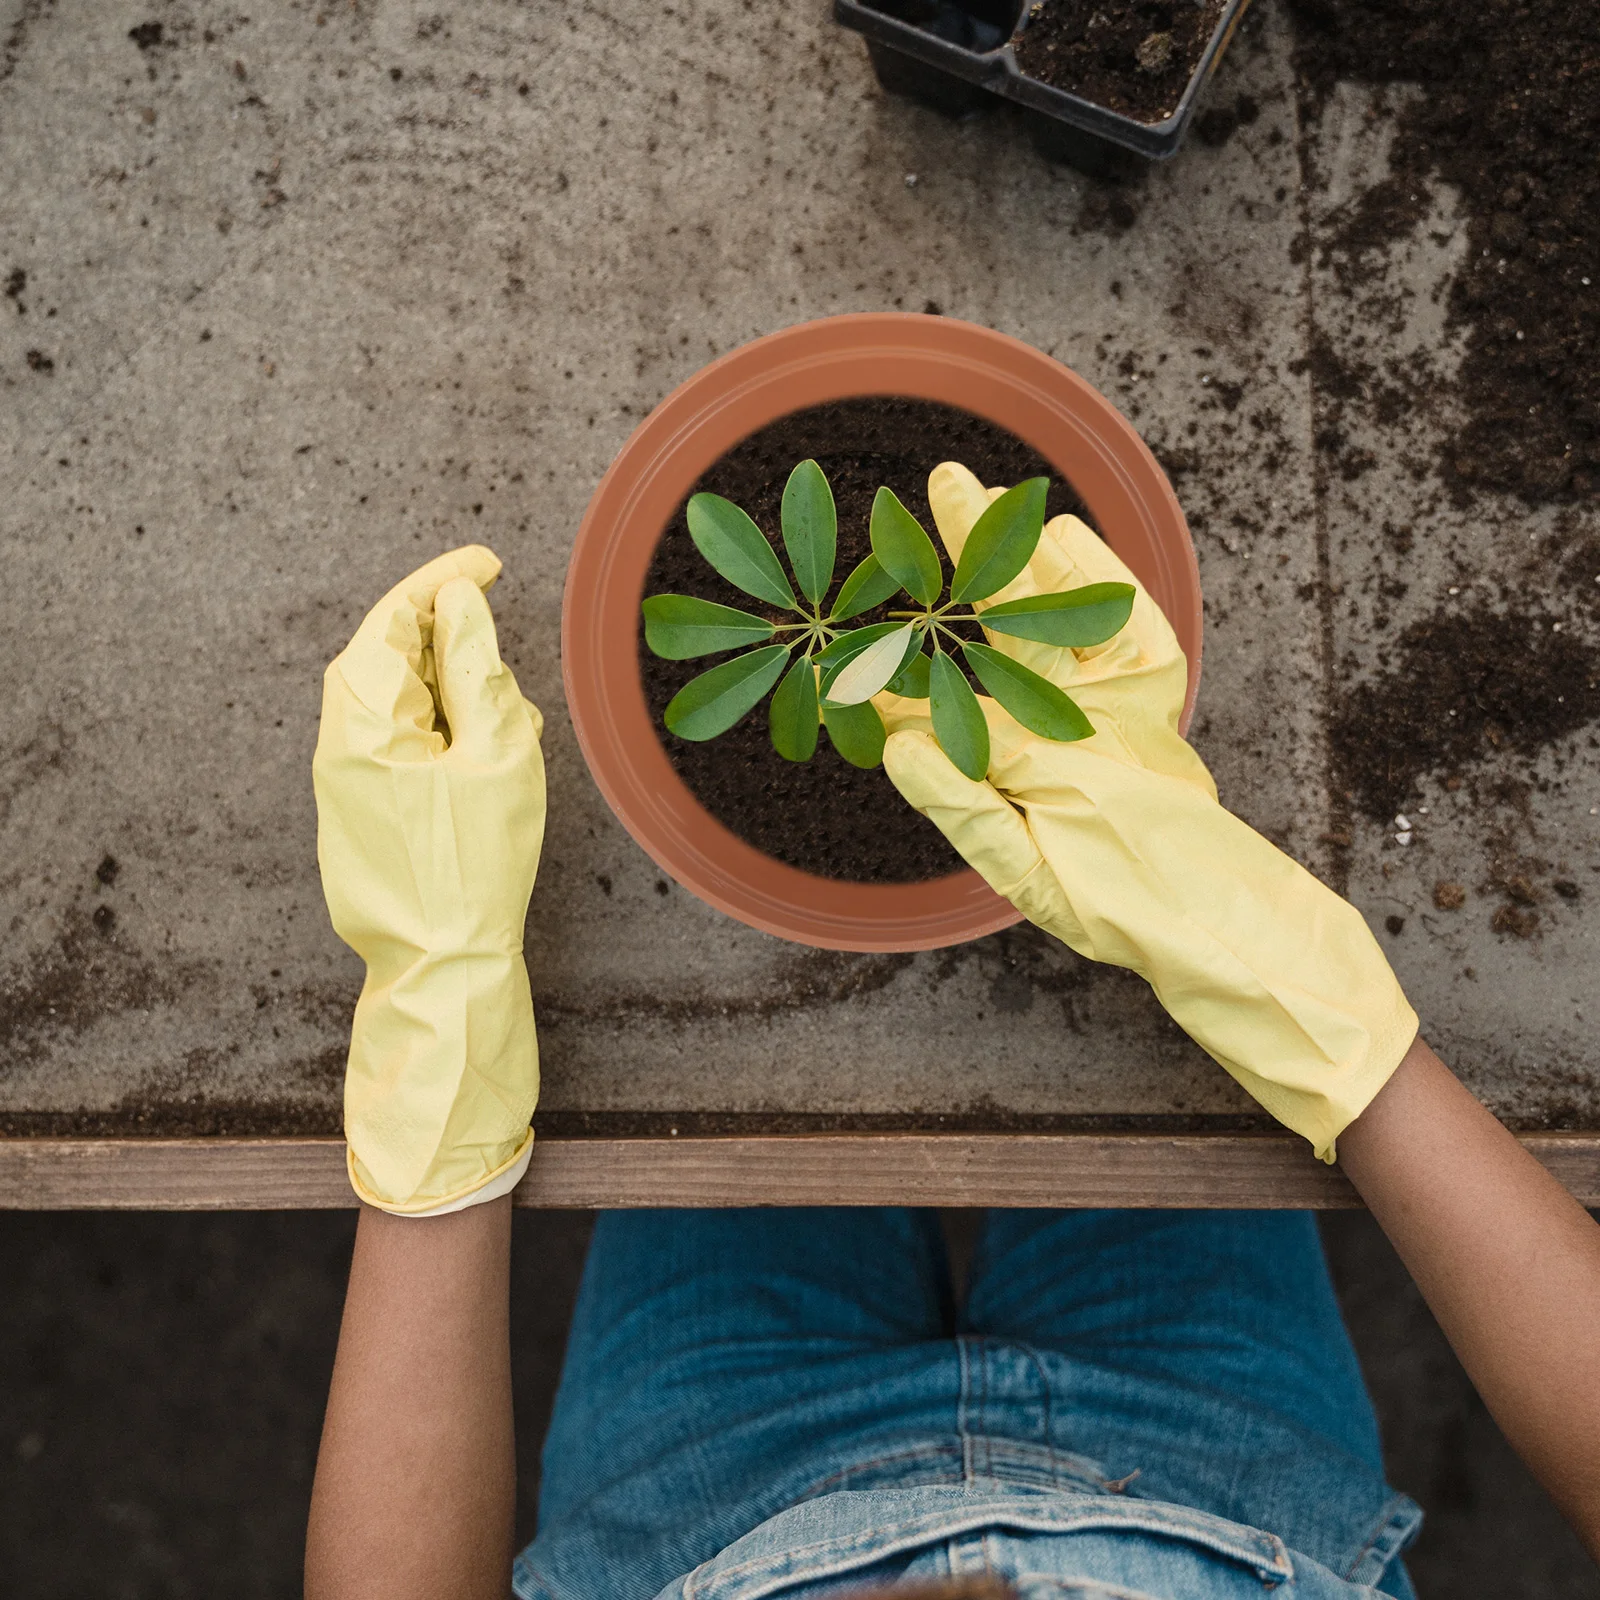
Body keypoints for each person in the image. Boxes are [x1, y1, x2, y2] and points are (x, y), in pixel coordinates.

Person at [302, 470, 1600, 1600]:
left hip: (709, 1480)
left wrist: (439, 1055)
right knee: (1137, 1057)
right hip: (1220, 1451)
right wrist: (1336, 1035)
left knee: (727, 1074)